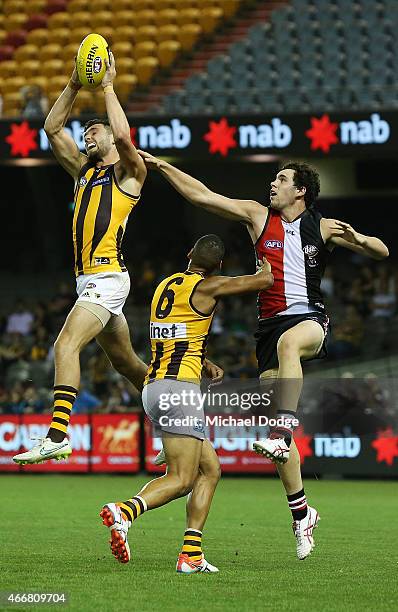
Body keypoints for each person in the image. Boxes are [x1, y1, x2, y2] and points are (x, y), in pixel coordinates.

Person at [136, 153, 389, 559]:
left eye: (281, 179)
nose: (273, 184)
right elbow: (202, 196)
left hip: (309, 321)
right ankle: (302, 512)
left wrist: (359, 239)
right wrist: (162, 167)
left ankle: (282, 430)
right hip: (267, 331)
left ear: (300, 190)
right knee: (280, 444)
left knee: (290, 357)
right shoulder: (257, 216)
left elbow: (382, 251)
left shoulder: (322, 226)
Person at [100, 234, 273, 573]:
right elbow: (263, 281)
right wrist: (267, 260)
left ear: (189, 253)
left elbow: (176, 331)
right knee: (181, 479)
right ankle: (125, 511)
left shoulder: (166, 285)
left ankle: (190, 554)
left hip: (153, 387)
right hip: (180, 391)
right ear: (218, 266)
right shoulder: (209, 286)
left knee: (211, 469)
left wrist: (203, 361)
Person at [13, 52, 148, 465]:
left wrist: (107, 86)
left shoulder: (129, 173)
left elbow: (125, 141)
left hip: (106, 277)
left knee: (64, 344)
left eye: (95, 131)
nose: (88, 136)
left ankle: (56, 434)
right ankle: (180, 414)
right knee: (128, 365)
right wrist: (73, 82)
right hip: (89, 280)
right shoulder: (82, 172)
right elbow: (52, 128)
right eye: (86, 132)